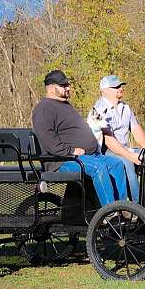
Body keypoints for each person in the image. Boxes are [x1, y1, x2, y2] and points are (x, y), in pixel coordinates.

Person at [32, 70, 128, 206]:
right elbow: (49, 141)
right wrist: (71, 151)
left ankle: (123, 207)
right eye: (63, 85)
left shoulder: (65, 105)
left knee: (116, 164)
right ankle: (109, 212)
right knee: (98, 167)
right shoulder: (44, 109)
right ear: (51, 88)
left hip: (87, 156)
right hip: (61, 161)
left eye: (67, 85)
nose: (68, 88)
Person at [92, 75, 145, 203]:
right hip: (105, 150)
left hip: (124, 148)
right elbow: (108, 140)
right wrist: (130, 156)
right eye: (116, 87)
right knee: (127, 163)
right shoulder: (98, 110)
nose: (120, 88)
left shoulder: (126, 107)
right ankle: (139, 206)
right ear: (104, 90)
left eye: (120, 85)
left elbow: (136, 129)